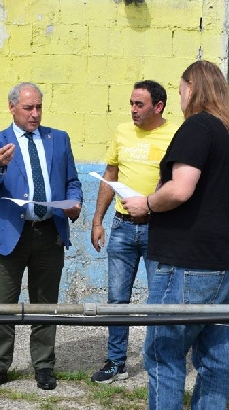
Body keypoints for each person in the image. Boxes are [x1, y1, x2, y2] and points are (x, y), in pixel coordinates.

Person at [122, 60, 229, 410]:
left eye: (181, 89)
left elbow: (181, 189)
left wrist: (147, 203)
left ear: (191, 88)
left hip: (188, 261)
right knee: (214, 360)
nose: (180, 96)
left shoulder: (198, 127)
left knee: (164, 354)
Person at [0, 82, 83, 391]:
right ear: (12, 108)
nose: (35, 114)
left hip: (49, 232)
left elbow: (72, 181)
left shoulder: (58, 139)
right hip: (11, 233)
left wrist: (75, 202)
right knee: (3, 304)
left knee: (45, 303)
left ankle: (44, 365)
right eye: (28, 108)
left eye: (38, 107)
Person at [90, 80, 179, 383]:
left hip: (161, 228)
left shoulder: (176, 134)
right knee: (117, 299)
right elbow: (110, 175)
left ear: (158, 106)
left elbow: (180, 181)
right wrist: (97, 220)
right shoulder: (122, 132)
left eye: (139, 104)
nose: (133, 110)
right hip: (122, 227)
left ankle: (159, 361)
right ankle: (117, 362)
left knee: (159, 300)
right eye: (131, 103)